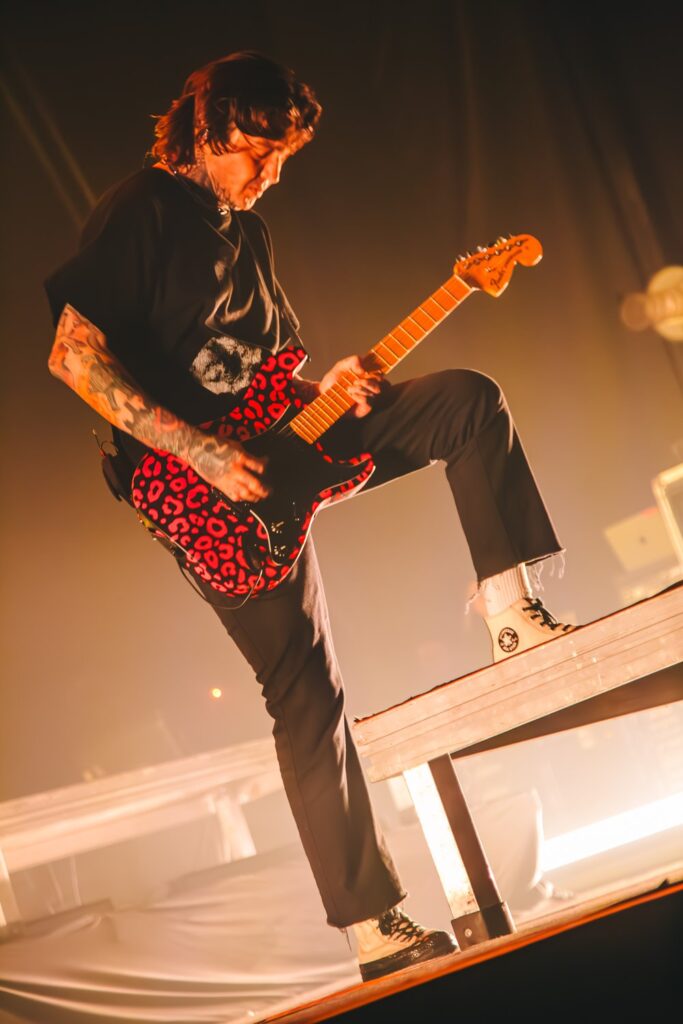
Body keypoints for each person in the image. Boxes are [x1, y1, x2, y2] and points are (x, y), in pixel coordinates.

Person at [45, 51, 574, 982]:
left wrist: (329, 382)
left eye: (283, 158)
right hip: (203, 492)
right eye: (257, 153)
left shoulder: (248, 235)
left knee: (464, 400)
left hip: (284, 442)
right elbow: (74, 359)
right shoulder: (142, 210)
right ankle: (373, 926)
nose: (270, 174)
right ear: (209, 129)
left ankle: (509, 614)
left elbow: (269, 374)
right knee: (305, 696)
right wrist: (201, 453)